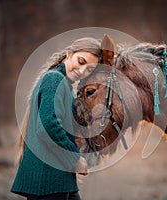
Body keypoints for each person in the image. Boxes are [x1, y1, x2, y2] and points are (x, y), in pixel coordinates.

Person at [11, 37, 101, 200]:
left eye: (89, 70)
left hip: (59, 178)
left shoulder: (65, 85)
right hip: (48, 180)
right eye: (81, 61)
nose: (82, 71)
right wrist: (74, 158)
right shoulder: (54, 79)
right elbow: (47, 127)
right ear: (69, 54)